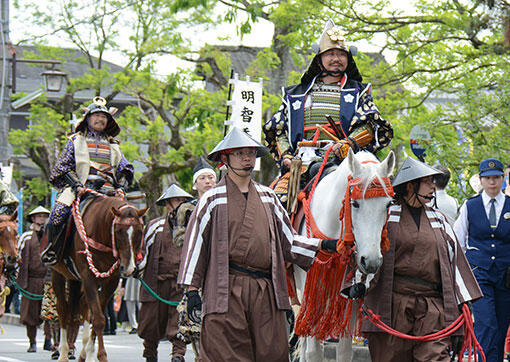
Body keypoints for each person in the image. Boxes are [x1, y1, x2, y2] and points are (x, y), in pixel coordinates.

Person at [177, 127, 337, 361]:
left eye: (251, 153)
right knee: (228, 354)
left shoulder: (268, 196)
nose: (247, 159)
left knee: (272, 352)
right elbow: (195, 246)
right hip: (226, 289)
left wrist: (325, 245)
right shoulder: (211, 200)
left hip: (266, 289)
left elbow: (289, 241)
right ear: (225, 159)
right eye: (240, 153)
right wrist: (192, 292)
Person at [358, 158, 482, 362]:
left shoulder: (439, 219)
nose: (434, 187)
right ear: (410, 185)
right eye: (428, 182)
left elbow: (455, 261)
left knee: (435, 357)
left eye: (434, 182)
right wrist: (359, 284)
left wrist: (463, 302)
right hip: (393, 307)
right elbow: (369, 250)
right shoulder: (386, 216)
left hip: (432, 309)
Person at [263, 19, 393, 203]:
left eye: (341, 54)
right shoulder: (296, 94)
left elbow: (370, 124)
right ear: (319, 59)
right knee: (274, 202)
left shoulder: (359, 91)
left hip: (344, 162)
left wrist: (349, 143)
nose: (336, 59)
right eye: (330, 54)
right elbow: (278, 130)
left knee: (378, 199)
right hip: (299, 163)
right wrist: (286, 155)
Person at [41, 96, 134, 265]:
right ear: (88, 118)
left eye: (104, 117)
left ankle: (133, 258)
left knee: (131, 218)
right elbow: (62, 167)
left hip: (109, 193)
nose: (100, 119)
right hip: (80, 189)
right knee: (57, 215)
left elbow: (124, 168)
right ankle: (54, 251)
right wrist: (76, 184)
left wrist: (121, 186)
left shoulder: (114, 145)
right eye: (96, 116)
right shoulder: (75, 141)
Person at [454, 158, 510, 362]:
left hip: (506, 276)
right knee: (487, 324)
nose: (493, 182)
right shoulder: (470, 205)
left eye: (496, 178)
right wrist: (461, 274)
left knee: (502, 325)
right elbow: (458, 240)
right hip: (480, 274)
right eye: (488, 178)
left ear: (503, 179)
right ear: (481, 180)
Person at [137, 184, 193, 362]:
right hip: (156, 281)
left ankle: (178, 354)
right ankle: (150, 354)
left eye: (183, 201)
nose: (181, 204)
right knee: (151, 320)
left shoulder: (192, 226)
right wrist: (137, 267)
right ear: (168, 203)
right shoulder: (154, 226)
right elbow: (143, 252)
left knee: (179, 319)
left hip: (181, 281)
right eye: (177, 200)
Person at [18, 206, 52, 353]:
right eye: (39, 216)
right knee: (30, 314)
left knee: (50, 312)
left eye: (45, 216)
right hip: (31, 279)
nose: (42, 219)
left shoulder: (51, 235)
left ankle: (48, 340)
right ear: (33, 218)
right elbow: (18, 256)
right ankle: (32, 342)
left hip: (48, 279)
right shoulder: (25, 236)